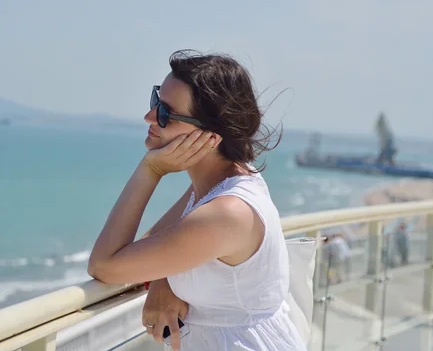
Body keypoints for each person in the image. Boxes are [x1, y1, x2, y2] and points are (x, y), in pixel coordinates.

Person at [88, 50, 306, 350]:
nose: (149, 117)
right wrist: (163, 279)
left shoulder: (227, 211)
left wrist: (150, 170)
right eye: (155, 101)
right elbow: (159, 243)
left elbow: (105, 265)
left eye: (165, 113)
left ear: (209, 135)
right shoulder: (221, 183)